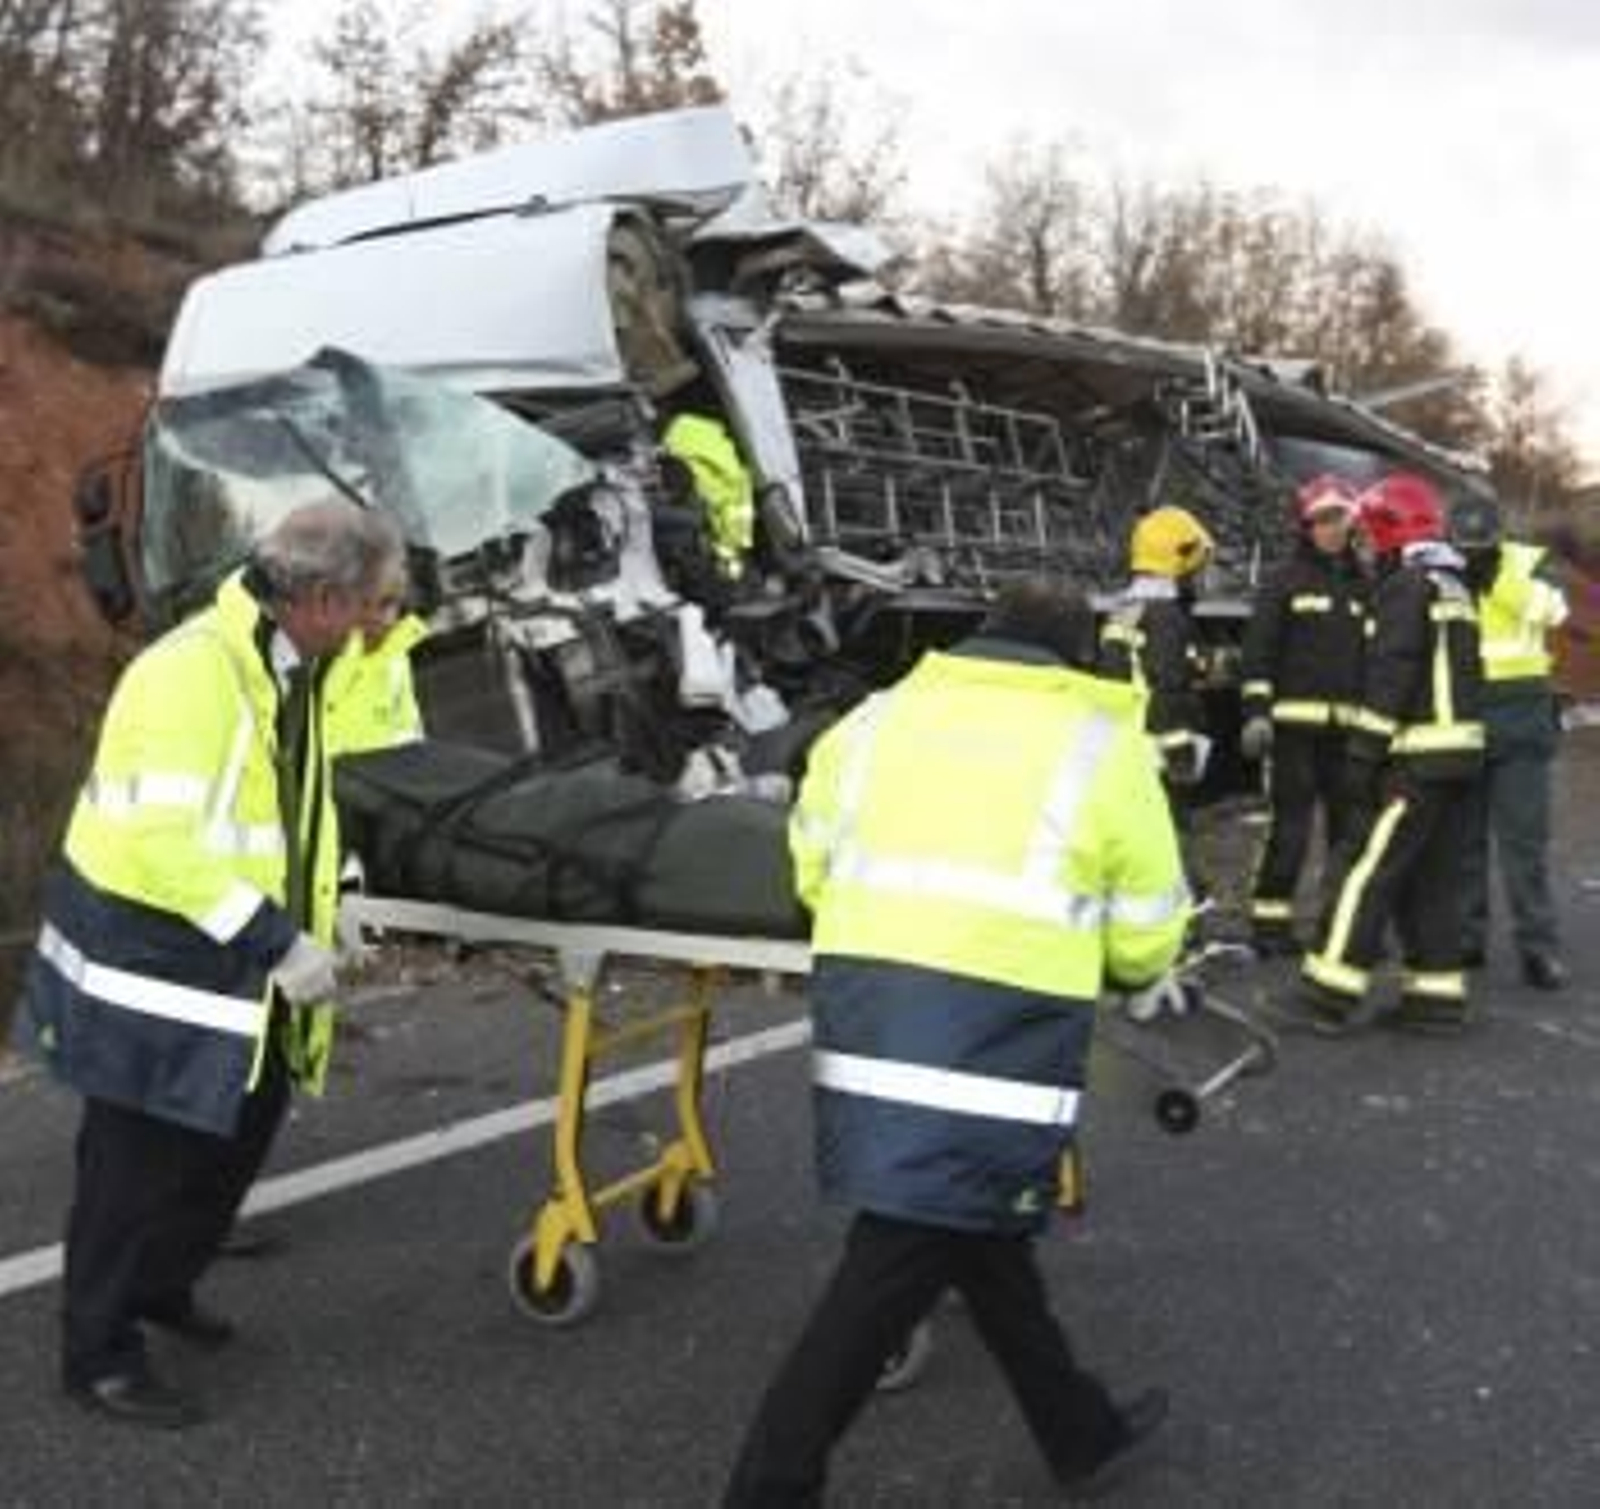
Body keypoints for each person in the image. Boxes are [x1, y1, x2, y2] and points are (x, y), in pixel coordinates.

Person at [725, 576, 1190, 1505]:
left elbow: (812, 868)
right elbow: (1145, 934)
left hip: (869, 1007)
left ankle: (1081, 1431)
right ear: (1077, 657)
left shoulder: (870, 723)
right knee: (904, 1246)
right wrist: (1132, 969)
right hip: (997, 1029)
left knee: (977, 1225)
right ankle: (771, 1484)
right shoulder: (1101, 745)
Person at [22, 499, 407, 1428]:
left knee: (241, 1122)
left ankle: (161, 1285)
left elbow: (296, 809)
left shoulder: (293, 666)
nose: (377, 623)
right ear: (320, 598)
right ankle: (97, 1352)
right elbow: (160, 839)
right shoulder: (191, 674)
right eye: (370, 604)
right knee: (133, 1162)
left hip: (231, 942)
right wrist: (277, 939)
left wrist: (334, 901)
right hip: (147, 953)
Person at [1300, 474, 1484, 1033]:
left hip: (1415, 760)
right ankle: (1436, 998)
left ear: (1388, 529)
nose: (1363, 548)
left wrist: (1363, 754)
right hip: (1459, 758)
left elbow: (1392, 675)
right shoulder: (1454, 584)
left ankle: (1328, 993)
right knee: (1433, 878)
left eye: (1367, 536)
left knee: (1367, 870)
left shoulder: (1407, 586)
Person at [1239, 476, 1369, 956]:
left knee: (1346, 834)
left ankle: (1336, 924)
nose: (1331, 529)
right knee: (1290, 831)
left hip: (1348, 733)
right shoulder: (1283, 581)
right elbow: (1258, 652)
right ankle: (1270, 926)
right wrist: (1256, 713)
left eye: (1339, 519)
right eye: (1322, 520)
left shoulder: (1366, 584)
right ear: (1307, 526)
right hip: (1293, 732)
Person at [1449, 494, 1571, 990]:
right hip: (1462, 713)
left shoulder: (1529, 561)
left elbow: (1553, 612)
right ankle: (1466, 938)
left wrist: (1496, 578)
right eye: (1465, 544)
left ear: (1499, 535)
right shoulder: (1443, 568)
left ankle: (1537, 949)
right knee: (1464, 842)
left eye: (1480, 543)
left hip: (1521, 716)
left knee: (1524, 843)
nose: (1471, 550)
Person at [1098, 504, 1215, 892]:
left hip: (1124, 746)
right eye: (1198, 567)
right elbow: (1168, 687)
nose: (1200, 577)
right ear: (1179, 561)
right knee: (1169, 832)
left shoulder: (1125, 611)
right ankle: (1185, 902)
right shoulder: (1168, 619)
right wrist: (1180, 753)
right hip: (1156, 753)